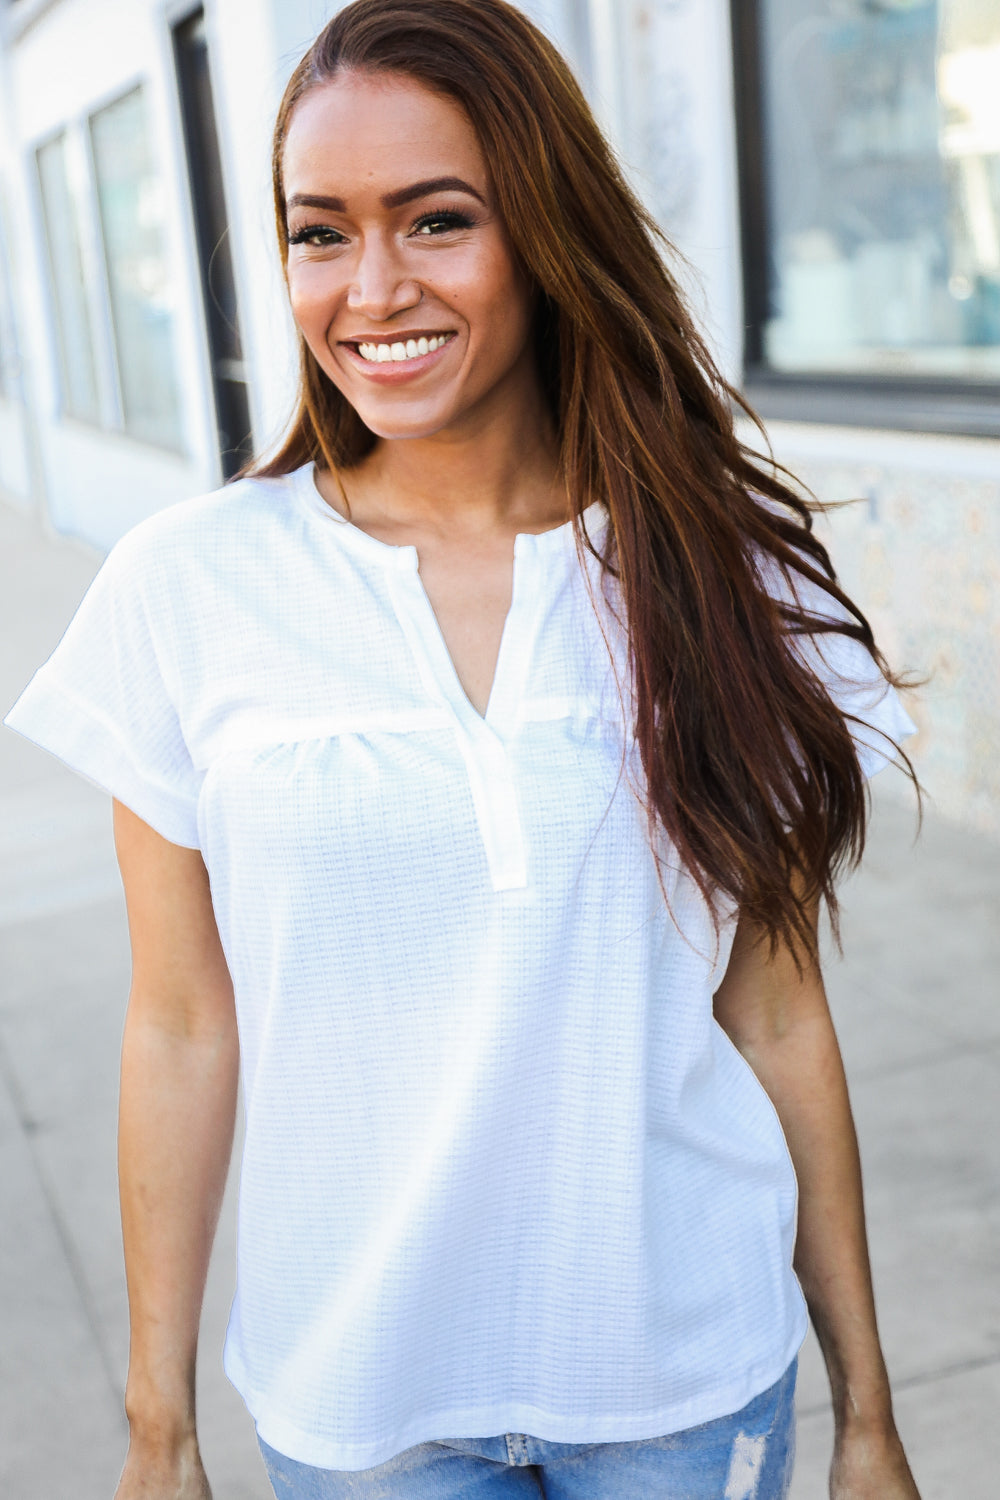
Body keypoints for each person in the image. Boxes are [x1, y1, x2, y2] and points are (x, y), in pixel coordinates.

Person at [4, 2, 924, 1496]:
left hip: (684, 1387)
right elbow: (180, 1024)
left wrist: (869, 1413)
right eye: (320, 234)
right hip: (361, 1407)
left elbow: (774, 1014)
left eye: (437, 220)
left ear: (546, 233)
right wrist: (155, 1428)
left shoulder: (712, 573)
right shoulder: (188, 589)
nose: (372, 289)